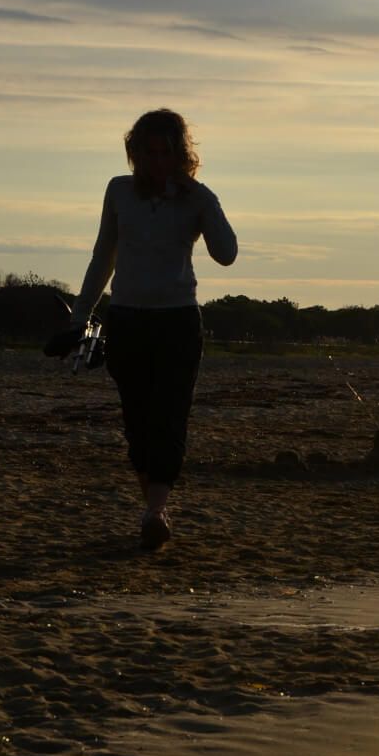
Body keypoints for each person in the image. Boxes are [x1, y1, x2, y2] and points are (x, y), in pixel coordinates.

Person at [55, 108, 237, 552]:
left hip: (177, 320)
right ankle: (153, 509)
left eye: (166, 153)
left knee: (170, 417)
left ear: (181, 154)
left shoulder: (196, 198)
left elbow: (227, 253)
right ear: (134, 153)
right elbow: (104, 257)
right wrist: (80, 316)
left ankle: (155, 512)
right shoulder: (119, 192)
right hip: (127, 318)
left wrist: (204, 201)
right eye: (148, 153)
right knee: (137, 422)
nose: (157, 162)